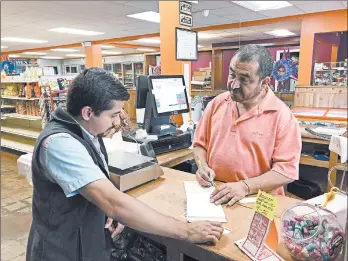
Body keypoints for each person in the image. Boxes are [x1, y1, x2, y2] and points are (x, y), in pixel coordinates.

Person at [26, 68, 223, 261]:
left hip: (86, 241)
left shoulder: (87, 131)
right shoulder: (59, 144)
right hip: (61, 250)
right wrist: (187, 230)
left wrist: (106, 213)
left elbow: (100, 186)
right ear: (87, 112)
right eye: (113, 115)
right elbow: (112, 202)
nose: (117, 122)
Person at [193, 44, 301, 206]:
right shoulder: (217, 103)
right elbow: (199, 145)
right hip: (216, 193)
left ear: (264, 82)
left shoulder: (281, 116)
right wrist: (202, 166)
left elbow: (286, 171)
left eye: (244, 79)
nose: (234, 85)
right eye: (232, 75)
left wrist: (245, 186)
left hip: (258, 200)